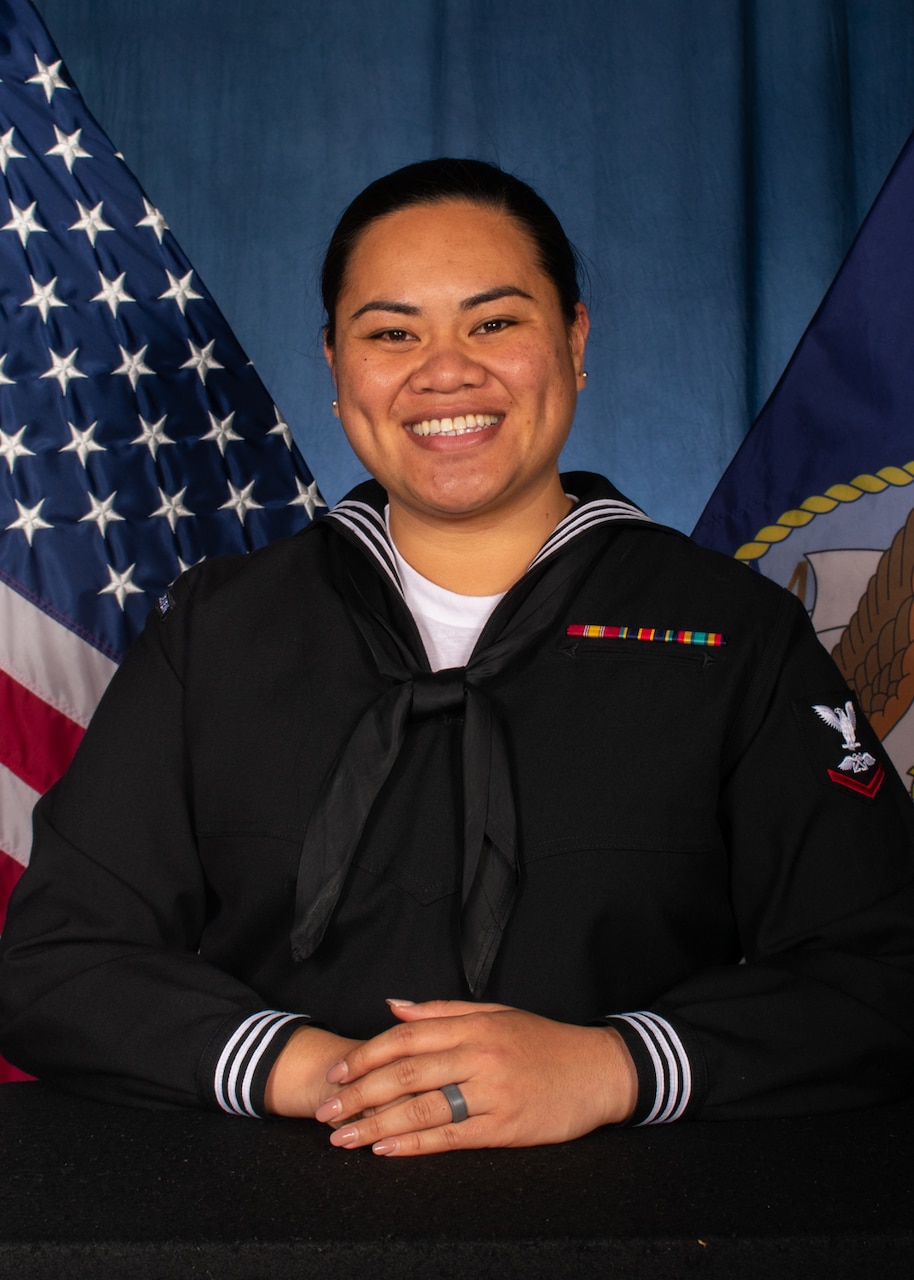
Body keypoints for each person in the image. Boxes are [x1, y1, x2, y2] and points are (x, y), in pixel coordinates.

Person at [1, 159, 912, 1157]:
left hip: (641, 1216)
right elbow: (55, 963)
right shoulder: (215, 632)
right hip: (263, 1212)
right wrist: (327, 1072)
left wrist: (611, 1067)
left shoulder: (733, 633)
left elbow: (879, 968)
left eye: (493, 323)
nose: (444, 372)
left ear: (572, 339)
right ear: (336, 365)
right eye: (391, 332)